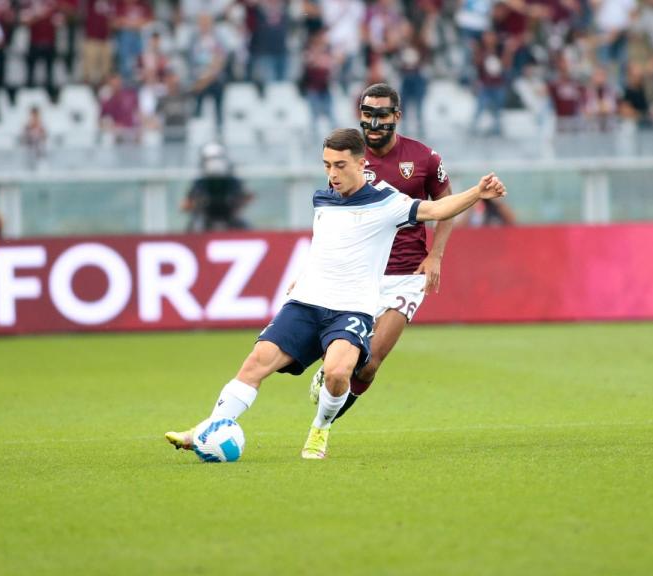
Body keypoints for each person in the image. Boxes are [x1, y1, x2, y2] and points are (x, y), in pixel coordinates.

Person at [165, 128, 507, 460]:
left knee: (337, 373)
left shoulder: (389, 203)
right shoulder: (323, 198)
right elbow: (328, 245)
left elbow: (436, 211)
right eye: (327, 165)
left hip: (350, 310)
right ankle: (207, 429)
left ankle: (320, 428)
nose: (332, 173)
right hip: (306, 303)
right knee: (254, 363)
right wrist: (304, 275)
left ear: (361, 165)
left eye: (340, 165)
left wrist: (477, 192)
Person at [307, 83, 456, 429]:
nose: (374, 122)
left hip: (405, 274)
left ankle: (321, 426)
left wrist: (435, 255)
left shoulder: (424, 158)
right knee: (348, 358)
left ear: (396, 117)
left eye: (382, 115)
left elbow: (446, 205)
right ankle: (333, 376)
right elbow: (335, 219)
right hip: (361, 273)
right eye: (367, 114)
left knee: (371, 363)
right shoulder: (350, 161)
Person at [182, 142, 252, 232]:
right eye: (209, 159)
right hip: (206, 218)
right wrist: (197, 203)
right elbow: (186, 204)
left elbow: (246, 197)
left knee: (246, 227)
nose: (214, 163)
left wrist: (238, 201)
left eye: (217, 158)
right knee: (195, 226)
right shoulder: (200, 181)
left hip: (229, 217)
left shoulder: (232, 180)